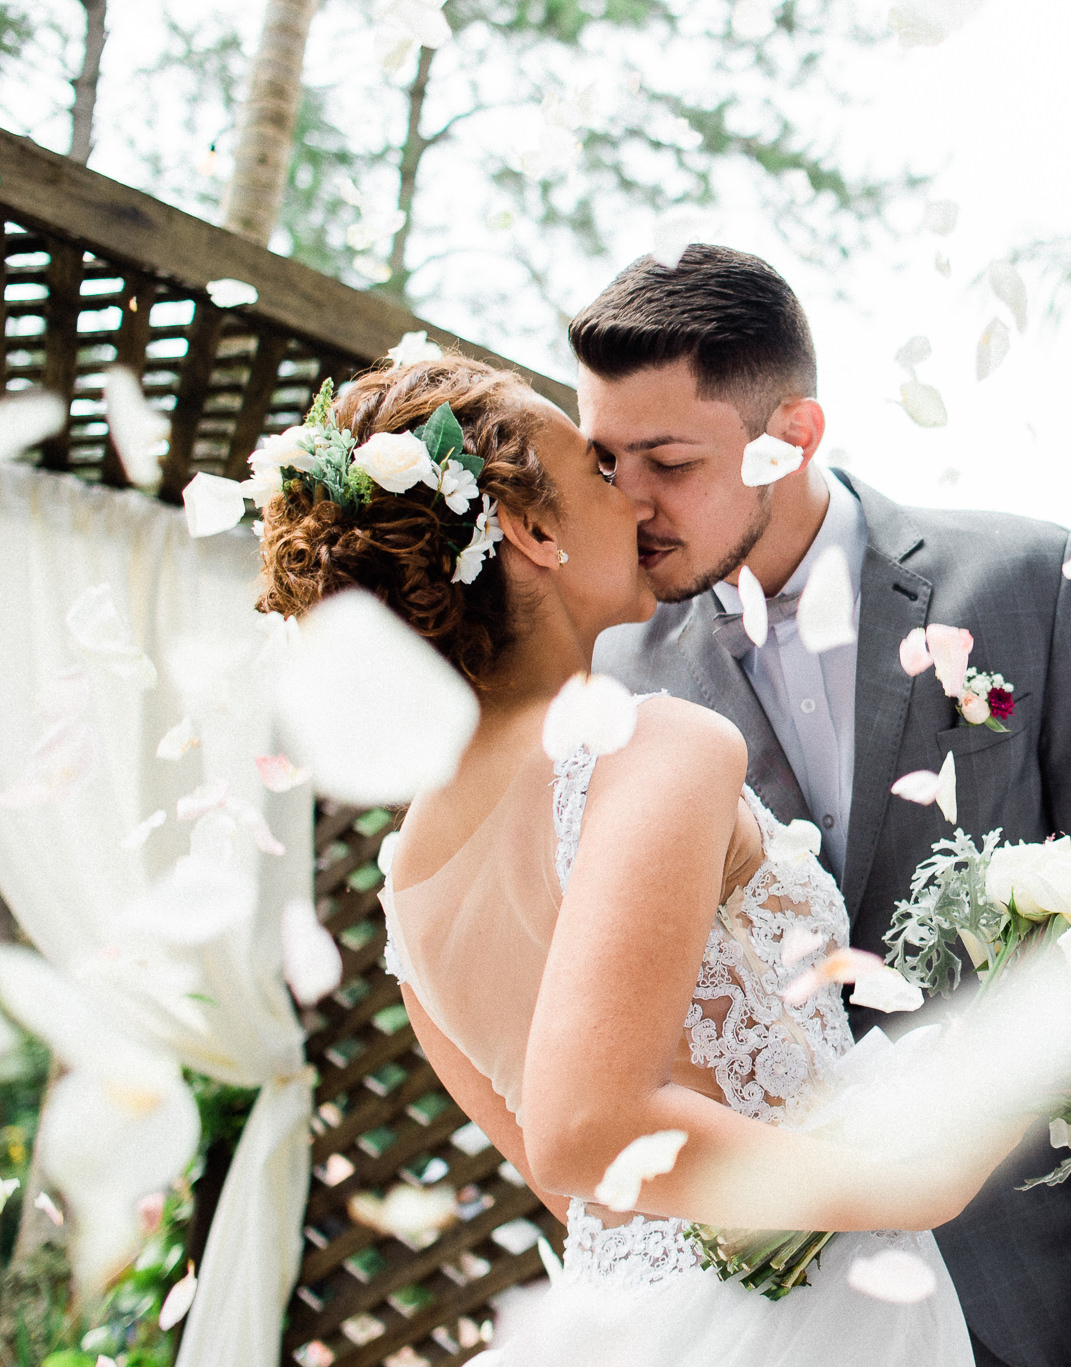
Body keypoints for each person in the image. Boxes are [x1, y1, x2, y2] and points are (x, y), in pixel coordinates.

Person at [255, 354, 1007, 1363]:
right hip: (805, 1322)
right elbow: (582, 1129)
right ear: (532, 530)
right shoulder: (650, 744)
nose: (639, 499)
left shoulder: (408, 887)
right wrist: (911, 1182)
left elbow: (582, 1194)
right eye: (600, 469)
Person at [581, 243, 1071, 1367]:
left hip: (1048, 1280)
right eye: (605, 459)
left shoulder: (1029, 581)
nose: (629, 501)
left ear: (794, 434)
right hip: (785, 1302)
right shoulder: (617, 671)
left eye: (669, 461)